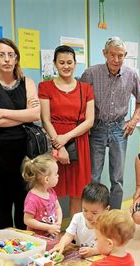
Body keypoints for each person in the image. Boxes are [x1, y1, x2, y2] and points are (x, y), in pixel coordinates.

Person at [0, 38, 40, 230]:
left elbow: (35, 114)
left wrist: (2, 112)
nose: (6, 59)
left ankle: (23, 251)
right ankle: (5, 253)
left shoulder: (27, 82)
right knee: (4, 203)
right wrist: (24, 115)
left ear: (16, 58)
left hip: (25, 153)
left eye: (11, 55)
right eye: (1, 55)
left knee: (23, 204)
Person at [80, 36, 140, 209]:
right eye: (112, 55)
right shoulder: (91, 73)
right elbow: (80, 101)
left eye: (120, 55)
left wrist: (133, 120)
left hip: (119, 128)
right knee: (94, 176)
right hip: (96, 128)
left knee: (117, 178)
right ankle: (94, 213)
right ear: (104, 54)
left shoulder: (131, 75)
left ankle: (114, 215)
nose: (116, 60)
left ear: (125, 55)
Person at [39, 45, 95, 218]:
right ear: (55, 64)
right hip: (53, 140)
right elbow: (45, 119)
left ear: (75, 63)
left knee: (77, 191)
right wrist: (58, 144)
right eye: (61, 62)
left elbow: (90, 120)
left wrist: (67, 138)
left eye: (69, 62)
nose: (66, 66)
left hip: (79, 141)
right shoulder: (45, 87)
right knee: (48, 188)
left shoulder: (85, 88)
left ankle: (73, 233)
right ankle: (49, 231)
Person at [51, 182, 110, 266]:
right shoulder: (78, 218)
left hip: (100, 264)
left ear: (106, 210)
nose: (89, 216)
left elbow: (109, 247)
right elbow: (68, 235)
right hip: (81, 264)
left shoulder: (107, 223)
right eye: (85, 210)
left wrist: (94, 250)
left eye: (94, 213)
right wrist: (61, 244)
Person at [21, 154, 62, 237]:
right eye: (56, 174)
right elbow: (27, 220)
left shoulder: (51, 191)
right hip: (37, 240)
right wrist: (48, 227)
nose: (58, 175)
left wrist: (58, 222)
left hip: (51, 236)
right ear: (47, 179)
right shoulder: (32, 199)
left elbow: (57, 207)